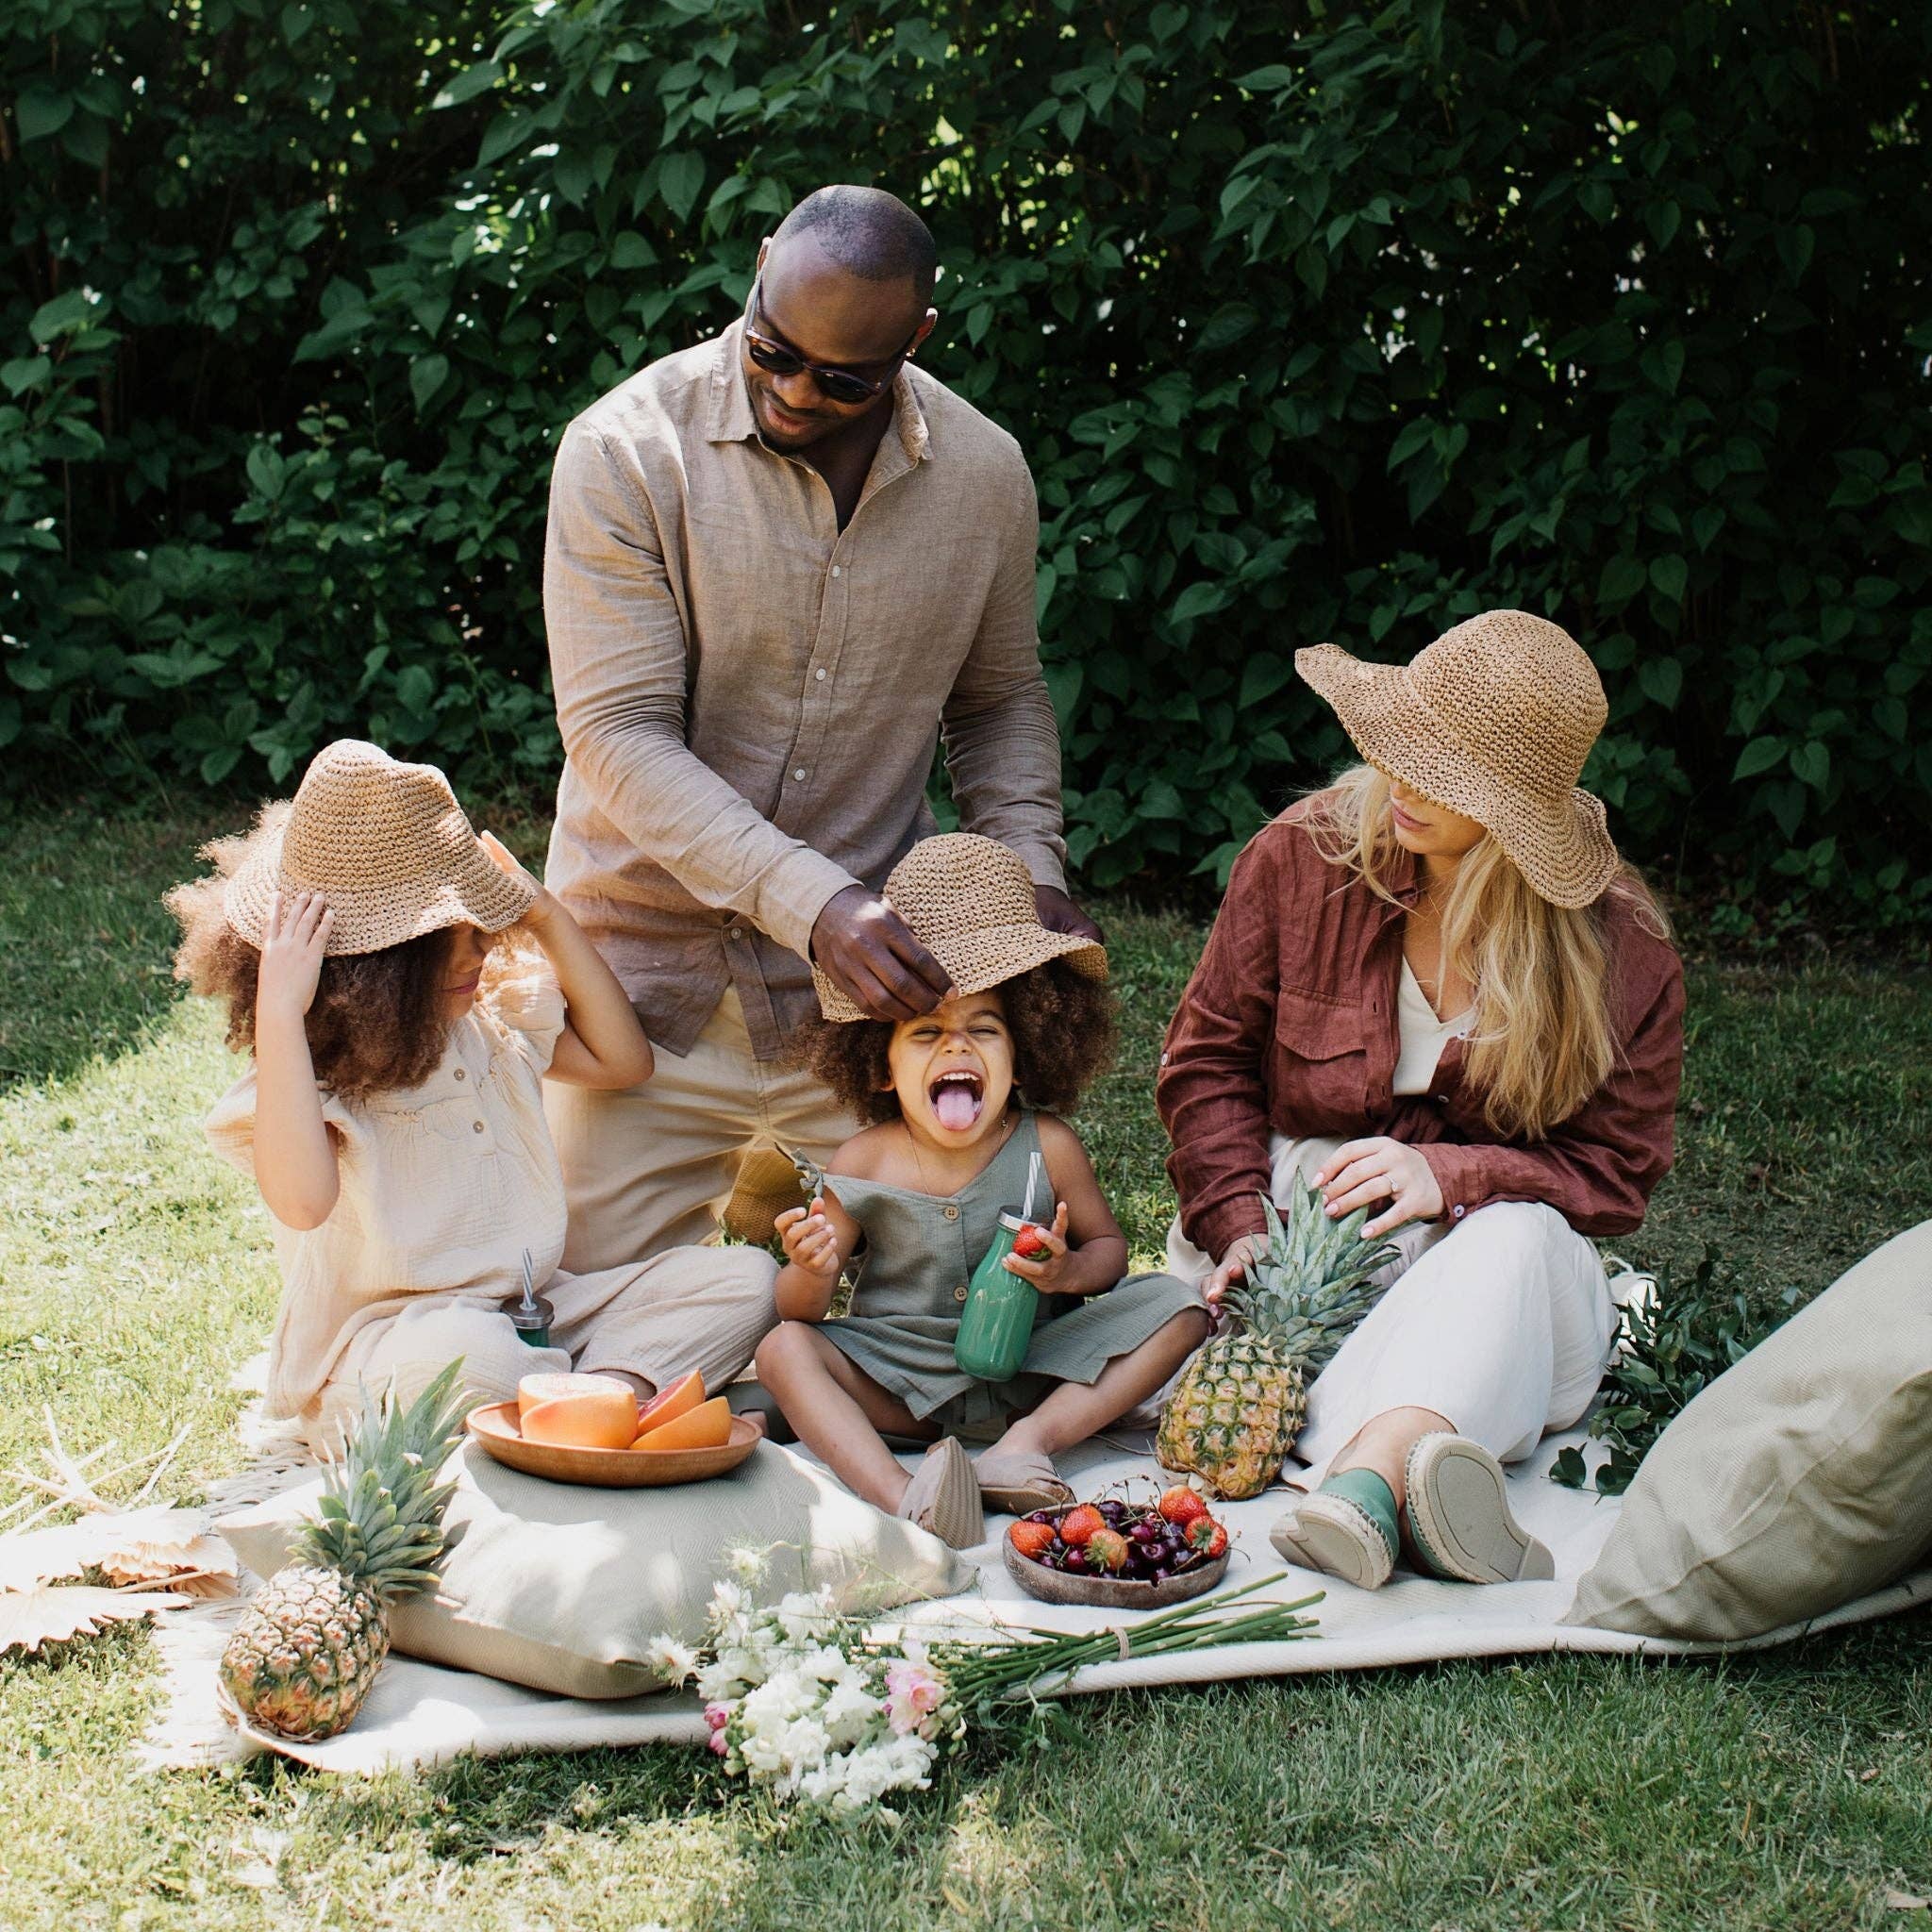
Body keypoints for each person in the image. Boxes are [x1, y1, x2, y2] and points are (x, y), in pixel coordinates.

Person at [541, 183, 1098, 1273]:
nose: (794, 391)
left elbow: (998, 702)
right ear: (757, 268)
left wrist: (1027, 867)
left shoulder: (984, 476)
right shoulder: (623, 450)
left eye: (844, 379)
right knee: (563, 1318)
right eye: (771, 350)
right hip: (637, 991)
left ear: (918, 340)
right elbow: (616, 733)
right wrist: (817, 901)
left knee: (941, 1324)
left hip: (869, 1012)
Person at [1158, 611, 1684, 1590]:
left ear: (1516, 806)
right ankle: (1399, 1482)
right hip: (1301, 1228)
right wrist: (1234, 1223)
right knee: (1329, 1271)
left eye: (1441, 772)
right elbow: (1207, 1064)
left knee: (1514, 1244)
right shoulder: (1300, 857)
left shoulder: (1619, 951)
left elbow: (1612, 1177)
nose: (1399, 782)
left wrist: (1451, 1174)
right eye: (1396, 746)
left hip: (1498, 1261)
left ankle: (1359, 1475)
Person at [167, 741, 778, 1451]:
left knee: (746, 1281)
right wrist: (279, 1014)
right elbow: (302, 1202)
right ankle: (598, 1404)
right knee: (471, 1357)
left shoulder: (490, 1018)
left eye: (480, 926)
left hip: (537, 1314)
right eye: (447, 939)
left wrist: (544, 914)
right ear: (377, 965)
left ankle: (593, 1406)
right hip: (392, 1351)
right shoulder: (309, 1075)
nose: (480, 950)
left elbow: (623, 1060)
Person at [753, 835, 1208, 1549]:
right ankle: (907, 1496)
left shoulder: (1047, 1145)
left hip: (1032, 1365)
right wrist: (812, 1271)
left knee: (1178, 1306)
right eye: (925, 1034)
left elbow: (1112, 1252)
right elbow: (800, 1311)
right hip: (903, 1382)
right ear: (879, 1065)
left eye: (984, 1030)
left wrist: (1067, 1271)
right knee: (783, 1350)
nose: (955, 1049)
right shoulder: (863, 1161)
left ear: (1025, 1051)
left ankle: (1027, 1445)